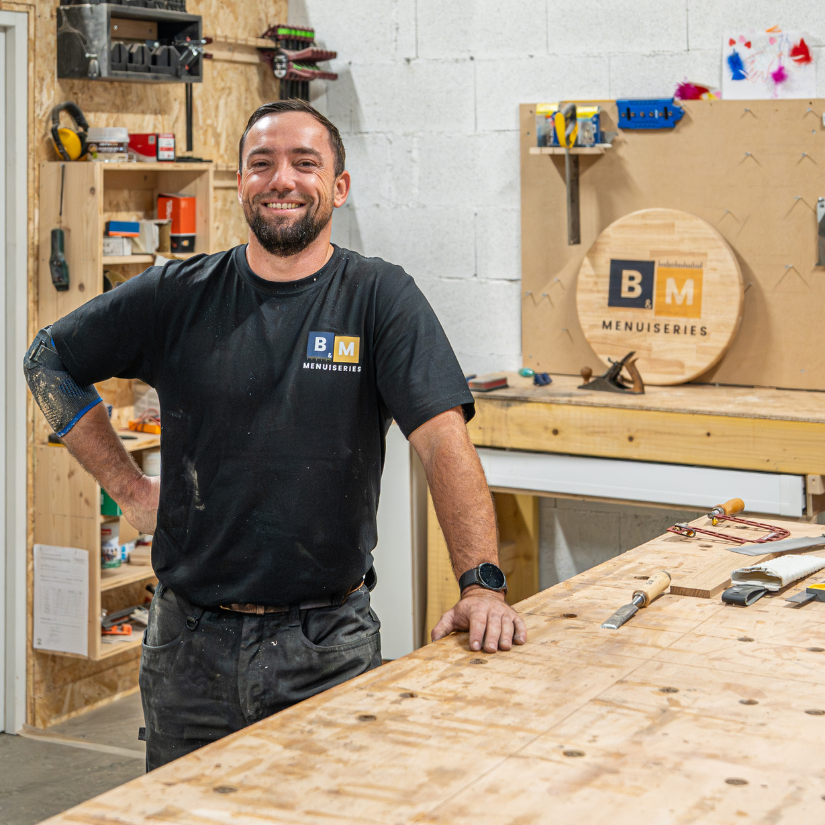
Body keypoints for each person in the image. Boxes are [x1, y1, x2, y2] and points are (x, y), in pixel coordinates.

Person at [23, 99, 527, 771]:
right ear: (240, 183)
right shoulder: (177, 293)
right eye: (261, 163)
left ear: (339, 187)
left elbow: (442, 441)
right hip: (186, 648)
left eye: (304, 163)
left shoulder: (379, 296)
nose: (281, 179)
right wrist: (129, 486)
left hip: (327, 645)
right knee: (182, 813)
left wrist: (481, 583)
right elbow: (47, 360)